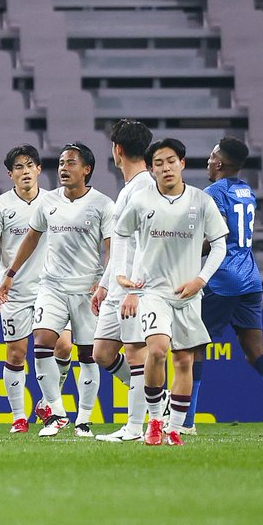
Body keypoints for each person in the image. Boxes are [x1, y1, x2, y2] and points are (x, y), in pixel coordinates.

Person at [113, 138, 229, 446]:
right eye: (159, 163)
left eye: (171, 161)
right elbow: (120, 233)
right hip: (152, 292)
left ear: (182, 164)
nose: (166, 167)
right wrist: (122, 274)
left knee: (184, 361)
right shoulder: (141, 201)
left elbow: (219, 245)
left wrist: (200, 280)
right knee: (157, 349)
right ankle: (155, 420)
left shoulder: (201, 201)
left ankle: (174, 427)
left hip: (188, 295)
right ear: (151, 169)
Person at [186, 138, 263, 436]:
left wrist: (183, 254)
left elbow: (218, 238)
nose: (208, 161)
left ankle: (186, 422)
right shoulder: (247, 191)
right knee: (255, 350)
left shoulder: (213, 193)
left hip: (222, 279)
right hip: (250, 278)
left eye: (211, 156)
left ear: (219, 163)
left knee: (191, 346)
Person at [0, 142, 115, 437]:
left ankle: (84, 420)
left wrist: (103, 282)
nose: (63, 168)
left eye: (71, 163)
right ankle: (56, 413)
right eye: (61, 163)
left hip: (86, 289)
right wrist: (10, 274)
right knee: (42, 342)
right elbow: (31, 238)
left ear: (86, 169)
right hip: (51, 287)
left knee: (87, 354)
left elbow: (112, 249)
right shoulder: (48, 201)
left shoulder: (103, 204)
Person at [0, 145, 77, 435]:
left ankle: (48, 403)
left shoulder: (55, 201)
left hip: (52, 290)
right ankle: (18, 417)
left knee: (64, 346)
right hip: (14, 293)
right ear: (10, 174)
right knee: (16, 354)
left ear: (39, 169)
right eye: (18, 167)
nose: (25, 172)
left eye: (30, 166)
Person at [90, 120, 158, 444]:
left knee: (135, 354)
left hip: (133, 288)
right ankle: (158, 396)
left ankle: (133, 427)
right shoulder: (129, 188)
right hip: (117, 286)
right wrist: (105, 284)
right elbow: (121, 245)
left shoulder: (144, 188)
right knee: (102, 353)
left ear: (117, 149)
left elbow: (146, 244)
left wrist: (136, 290)